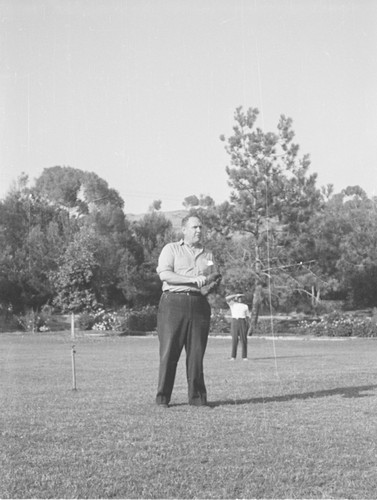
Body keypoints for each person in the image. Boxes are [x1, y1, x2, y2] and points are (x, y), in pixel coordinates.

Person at [155, 214, 221, 408]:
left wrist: (210, 283)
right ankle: (162, 398)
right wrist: (192, 280)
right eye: (194, 227)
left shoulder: (208, 255)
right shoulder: (171, 249)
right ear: (184, 230)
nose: (199, 230)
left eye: (201, 227)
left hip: (199, 305)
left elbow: (213, 274)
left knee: (196, 354)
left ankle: (198, 399)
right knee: (169, 353)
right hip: (173, 303)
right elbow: (165, 275)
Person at [225, 293, 251, 361]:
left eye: (241, 297)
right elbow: (227, 298)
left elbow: (248, 316)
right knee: (234, 340)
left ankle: (244, 356)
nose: (240, 299)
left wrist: (248, 325)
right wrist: (235, 295)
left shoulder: (245, 306)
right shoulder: (233, 304)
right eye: (239, 297)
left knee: (244, 339)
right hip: (235, 321)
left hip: (242, 321)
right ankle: (233, 356)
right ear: (236, 298)